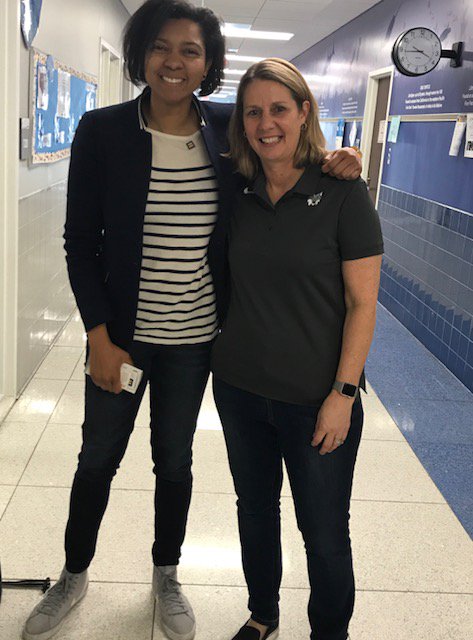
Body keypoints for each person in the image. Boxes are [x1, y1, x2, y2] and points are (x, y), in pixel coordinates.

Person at [22, 2, 362, 639]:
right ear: (141, 53)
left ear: (209, 64)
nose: (173, 62)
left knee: (174, 463)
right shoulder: (103, 130)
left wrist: (341, 159)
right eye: (161, 46)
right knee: (96, 460)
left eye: (190, 51)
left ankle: (167, 573)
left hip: (197, 341)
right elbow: (79, 244)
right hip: (121, 339)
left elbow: (285, 144)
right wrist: (98, 336)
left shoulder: (228, 127)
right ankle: (73, 574)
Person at [211, 58, 384, 640]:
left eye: (279, 109)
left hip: (316, 400)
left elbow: (363, 304)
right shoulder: (236, 188)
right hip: (239, 390)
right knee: (255, 513)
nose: (266, 124)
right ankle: (263, 614)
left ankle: (329, 633)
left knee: (325, 530)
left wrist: (344, 394)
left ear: (305, 111)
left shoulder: (342, 191)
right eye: (253, 112)